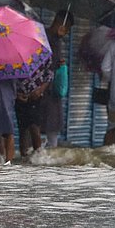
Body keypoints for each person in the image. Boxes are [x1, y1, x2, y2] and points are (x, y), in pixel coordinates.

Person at [41, 10, 73, 148]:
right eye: (67, 29)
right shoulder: (50, 40)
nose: (67, 33)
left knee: (38, 128)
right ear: (62, 26)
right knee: (48, 130)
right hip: (45, 91)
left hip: (45, 91)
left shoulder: (45, 36)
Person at [14, 62, 54, 158]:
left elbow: (50, 74)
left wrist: (40, 90)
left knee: (34, 127)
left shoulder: (41, 53)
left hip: (37, 98)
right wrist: (17, 94)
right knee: (22, 129)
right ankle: (24, 158)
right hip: (20, 97)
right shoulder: (14, 55)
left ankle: (38, 157)